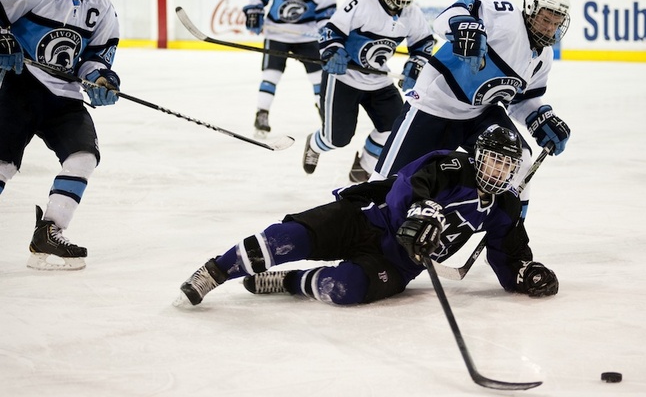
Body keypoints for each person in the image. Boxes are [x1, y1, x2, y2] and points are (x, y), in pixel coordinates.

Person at [176, 125, 559, 307]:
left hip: (397, 262)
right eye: (493, 161)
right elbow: (408, 185)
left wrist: (524, 273)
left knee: (346, 290)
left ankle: (291, 282)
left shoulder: (504, 206)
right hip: (366, 217)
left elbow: (508, 250)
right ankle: (215, 270)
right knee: (285, 238)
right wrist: (422, 213)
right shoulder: (450, 165)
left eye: (507, 167)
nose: (498, 171)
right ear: (478, 156)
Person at [374, 0, 572, 224]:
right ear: (530, 9)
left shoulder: (544, 57)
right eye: (545, 19)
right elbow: (447, 17)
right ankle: (360, 227)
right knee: (386, 183)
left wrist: (540, 119)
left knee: (519, 159)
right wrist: (464, 28)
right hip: (433, 105)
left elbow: (522, 100)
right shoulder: (507, 19)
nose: (550, 28)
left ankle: (510, 233)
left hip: (479, 114)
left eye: (556, 22)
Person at [0, 0, 121, 271]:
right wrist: (4, 39)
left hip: (64, 95)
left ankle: (49, 232)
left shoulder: (101, 5)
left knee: (83, 157)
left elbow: (97, 55)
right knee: (2, 166)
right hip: (20, 85)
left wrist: (100, 78)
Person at [303, 0, 435, 183]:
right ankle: (315, 143)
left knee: (395, 128)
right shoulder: (361, 3)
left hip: (378, 81)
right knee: (337, 139)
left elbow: (423, 44)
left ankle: (363, 165)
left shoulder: (412, 14)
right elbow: (331, 31)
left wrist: (416, 66)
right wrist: (333, 52)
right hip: (344, 78)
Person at [242, 0, 336, 138]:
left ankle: (326, 115)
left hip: (306, 36)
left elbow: (327, 14)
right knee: (271, 75)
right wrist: (254, 11)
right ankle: (262, 114)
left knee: (318, 78)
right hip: (276, 34)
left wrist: (324, 31)